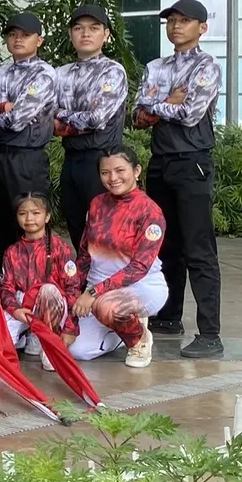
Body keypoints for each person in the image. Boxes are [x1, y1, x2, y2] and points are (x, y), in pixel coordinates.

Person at [134, 0, 223, 358]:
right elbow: (138, 115)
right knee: (165, 244)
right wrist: (164, 102)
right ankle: (169, 317)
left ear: (202, 28)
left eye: (185, 21)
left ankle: (210, 334)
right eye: (171, 20)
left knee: (198, 248)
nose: (176, 26)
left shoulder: (207, 67)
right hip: (161, 162)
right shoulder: (156, 66)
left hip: (193, 162)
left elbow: (189, 113)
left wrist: (160, 105)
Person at [72, 146, 165, 368]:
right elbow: (84, 254)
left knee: (107, 307)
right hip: (98, 291)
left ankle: (139, 338)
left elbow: (139, 267)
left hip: (141, 287)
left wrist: (93, 293)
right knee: (77, 351)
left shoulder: (150, 211)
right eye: (105, 172)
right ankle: (119, 331)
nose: (113, 178)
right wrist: (72, 289)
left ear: (136, 171)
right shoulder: (96, 204)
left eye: (120, 170)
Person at [54, 5, 130, 248]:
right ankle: (84, 283)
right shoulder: (61, 74)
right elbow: (46, 117)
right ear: (70, 34)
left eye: (94, 28)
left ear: (106, 35)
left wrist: (62, 116)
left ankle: (106, 285)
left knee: (104, 230)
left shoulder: (113, 71)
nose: (85, 33)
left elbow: (97, 119)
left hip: (102, 160)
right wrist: (77, 116)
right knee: (76, 227)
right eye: (79, 28)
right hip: (71, 159)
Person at [0, 12, 55, 252]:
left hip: (28, 156)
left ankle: (35, 286)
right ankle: (9, 284)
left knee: (29, 223)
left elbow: (16, 120)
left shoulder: (44, 73)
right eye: (13, 34)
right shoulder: (2, 72)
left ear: (39, 40)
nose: (18, 39)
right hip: (0, 155)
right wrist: (3, 108)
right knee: (3, 224)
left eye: (25, 35)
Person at [0, 192, 81, 366]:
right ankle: (28, 335)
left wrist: (70, 327)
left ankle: (49, 343)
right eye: (23, 213)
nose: (29, 218)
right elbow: (6, 288)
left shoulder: (61, 249)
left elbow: (73, 288)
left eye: (36, 213)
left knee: (48, 290)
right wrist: (15, 310)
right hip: (24, 308)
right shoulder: (12, 252)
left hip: (53, 305)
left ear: (47, 216)